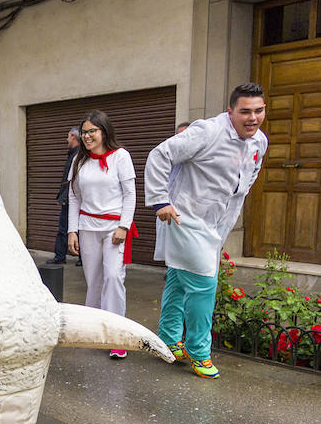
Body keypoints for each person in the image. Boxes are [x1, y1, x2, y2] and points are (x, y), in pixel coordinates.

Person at [145, 82, 267, 379]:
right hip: (185, 217)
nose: (253, 118)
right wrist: (161, 200)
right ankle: (198, 351)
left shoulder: (259, 140)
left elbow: (249, 173)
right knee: (203, 286)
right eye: (245, 112)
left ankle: (168, 338)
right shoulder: (207, 132)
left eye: (259, 110)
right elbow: (160, 155)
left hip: (216, 223)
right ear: (230, 111)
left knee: (177, 278)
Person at [67, 110, 137, 359]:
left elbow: (130, 194)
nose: (86, 136)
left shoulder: (121, 157)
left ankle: (118, 335)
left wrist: (124, 226)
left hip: (113, 229)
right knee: (94, 280)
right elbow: (74, 196)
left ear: (104, 131)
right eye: (84, 132)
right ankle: (94, 331)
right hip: (87, 227)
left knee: (113, 277)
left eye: (92, 131)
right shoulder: (79, 160)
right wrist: (72, 230)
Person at [46, 127, 80, 265]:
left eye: (68, 136)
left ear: (73, 137)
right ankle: (76, 258)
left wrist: (64, 197)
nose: (66, 139)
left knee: (64, 229)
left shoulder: (77, 156)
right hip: (69, 198)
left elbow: (71, 181)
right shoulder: (73, 154)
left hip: (72, 199)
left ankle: (61, 257)